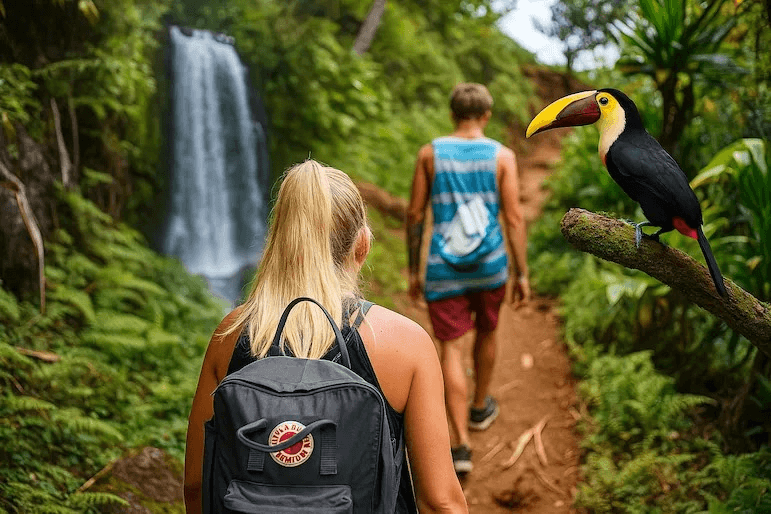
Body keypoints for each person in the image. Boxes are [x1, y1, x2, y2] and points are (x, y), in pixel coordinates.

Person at [184, 160, 468, 513]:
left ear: (277, 243)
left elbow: (198, 486)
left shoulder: (230, 336)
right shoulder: (405, 343)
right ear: (362, 246)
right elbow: (441, 502)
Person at [406, 83, 530, 475]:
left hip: (444, 268)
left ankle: (459, 444)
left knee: (451, 351)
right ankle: (479, 408)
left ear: (452, 114)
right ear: (486, 116)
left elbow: (414, 215)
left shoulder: (430, 154)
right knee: (488, 333)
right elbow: (513, 217)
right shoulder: (502, 156)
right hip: (491, 265)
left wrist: (413, 270)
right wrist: (522, 273)